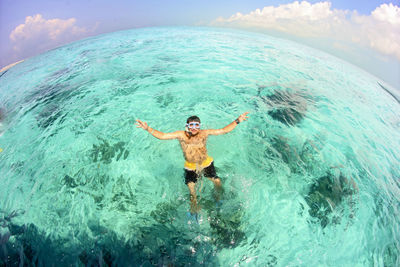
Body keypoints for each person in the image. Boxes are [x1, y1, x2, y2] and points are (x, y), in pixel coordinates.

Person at [135, 112, 249, 215]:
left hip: (206, 163)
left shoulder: (204, 133)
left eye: (196, 125)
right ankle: (194, 209)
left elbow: (223, 130)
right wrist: (148, 128)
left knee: (218, 183)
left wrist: (237, 120)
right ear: (187, 126)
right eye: (191, 125)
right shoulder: (181, 135)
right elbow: (163, 136)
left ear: (199, 126)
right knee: (192, 192)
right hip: (190, 166)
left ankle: (218, 200)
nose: (194, 128)